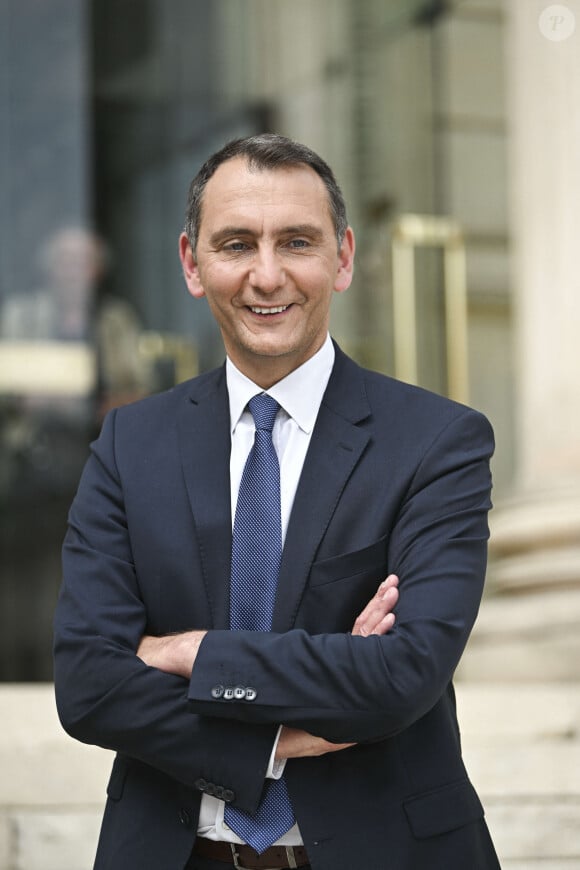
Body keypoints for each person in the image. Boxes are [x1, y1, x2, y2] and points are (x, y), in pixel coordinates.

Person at [53, 134, 500, 870]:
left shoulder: (437, 442)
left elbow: (401, 674)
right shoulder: (129, 444)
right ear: (193, 265)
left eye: (296, 241)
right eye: (236, 244)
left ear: (343, 257)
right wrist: (272, 740)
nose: (268, 275)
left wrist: (189, 653)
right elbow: (88, 685)